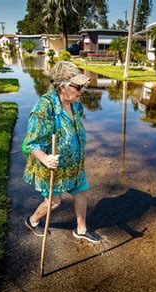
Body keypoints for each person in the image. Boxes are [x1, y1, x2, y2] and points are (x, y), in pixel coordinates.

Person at [23, 61, 101, 243]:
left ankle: (81, 229)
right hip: (53, 165)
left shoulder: (76, 104)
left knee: (81, 193)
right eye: (78, 86)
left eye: (83, 86)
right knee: (54, 202)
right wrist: (45, 158)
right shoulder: (45, 106)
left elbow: (74, 126)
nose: (82, 91)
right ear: (62, 86)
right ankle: (32, 220)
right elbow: (31, 142)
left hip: (74, 164)